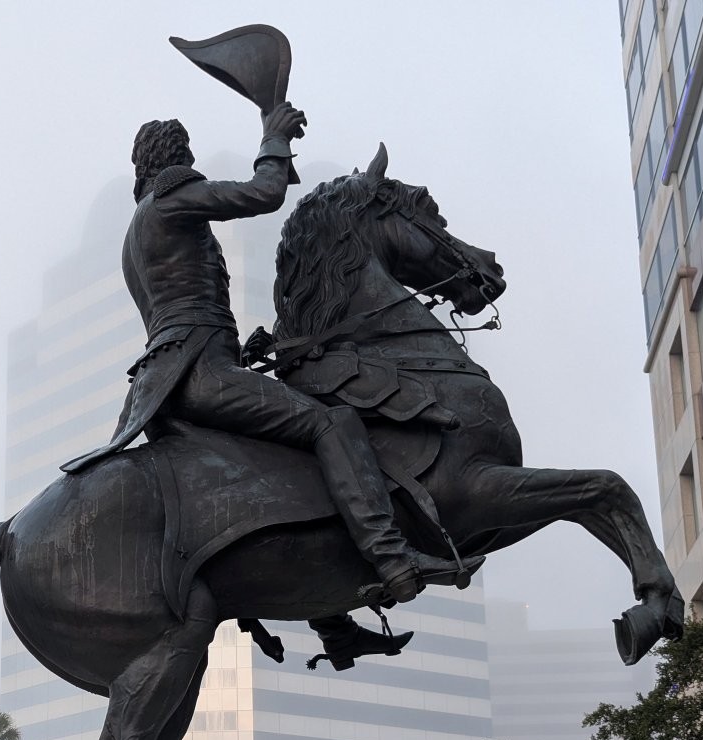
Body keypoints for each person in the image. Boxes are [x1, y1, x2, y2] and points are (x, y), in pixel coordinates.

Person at [62, 104, 479, 603]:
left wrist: (246, 350)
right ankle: (393, 558)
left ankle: (335, 619)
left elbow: (186, 316)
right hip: (200, 373)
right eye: (187, 153)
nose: (192, 162)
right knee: (332, 424)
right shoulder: (172, 200)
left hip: (177, 375)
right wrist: (273, 138)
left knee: (282, 466)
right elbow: (264, 194)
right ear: (176, 157)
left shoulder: (140, 227)